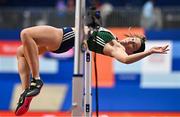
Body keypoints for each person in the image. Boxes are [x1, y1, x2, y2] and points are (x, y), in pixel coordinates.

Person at [15, 25, 169, 116]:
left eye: (133, 45)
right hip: (66, 40)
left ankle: (36, 80)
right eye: (132, 39)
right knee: (21, 52)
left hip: (66, 36)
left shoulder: (116, 48)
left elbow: (126, 60)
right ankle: (26, 91)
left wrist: (149, 51)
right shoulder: (114, 38)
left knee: (26, 34)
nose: (129, 41)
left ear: (130, 51)